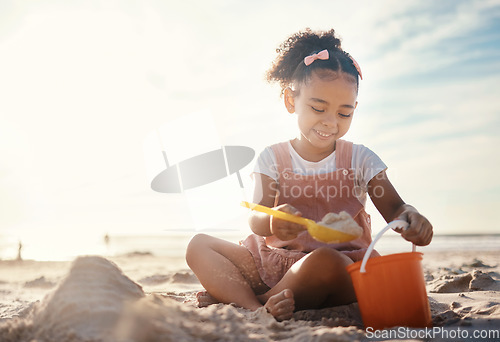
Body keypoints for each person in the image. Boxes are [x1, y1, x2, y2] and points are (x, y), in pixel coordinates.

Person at [186, 28, 433, 321]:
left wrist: (412, 217)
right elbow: (256, 217)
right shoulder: (273, 158)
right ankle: (257, 309)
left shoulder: (360, 159)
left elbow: (395, 209)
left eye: (344, 114)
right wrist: (274, 220)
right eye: (318, 108)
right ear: (291, 101)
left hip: (337, 268)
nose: (330, 122)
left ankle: (247, 299)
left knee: (324, 260)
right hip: (272, 265)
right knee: (198, 245)